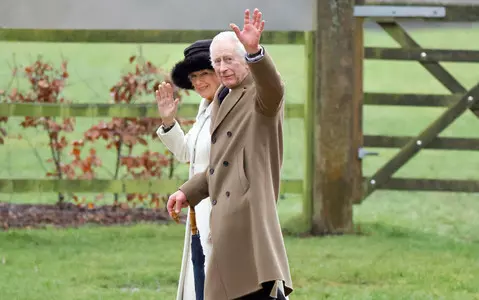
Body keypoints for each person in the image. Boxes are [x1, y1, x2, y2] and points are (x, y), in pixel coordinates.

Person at [167, 8, 293, 300]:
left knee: (251, 289)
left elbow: (274, 88)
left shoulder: (260, 96)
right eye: (217, 61)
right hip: (223, 217)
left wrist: (255, 52)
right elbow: (222, 163)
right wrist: (189, 191)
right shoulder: (223, 97)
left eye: (229, 60)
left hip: (248, 216)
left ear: (245, 62)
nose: (222, 68)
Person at [155, 39, 221, 300]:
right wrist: (169, 120)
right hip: (198, 208)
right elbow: (187, 153)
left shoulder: (229, 108)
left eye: (205, 73)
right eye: (194, 76)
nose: (199, 82)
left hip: (220, 207)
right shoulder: (205, 108)